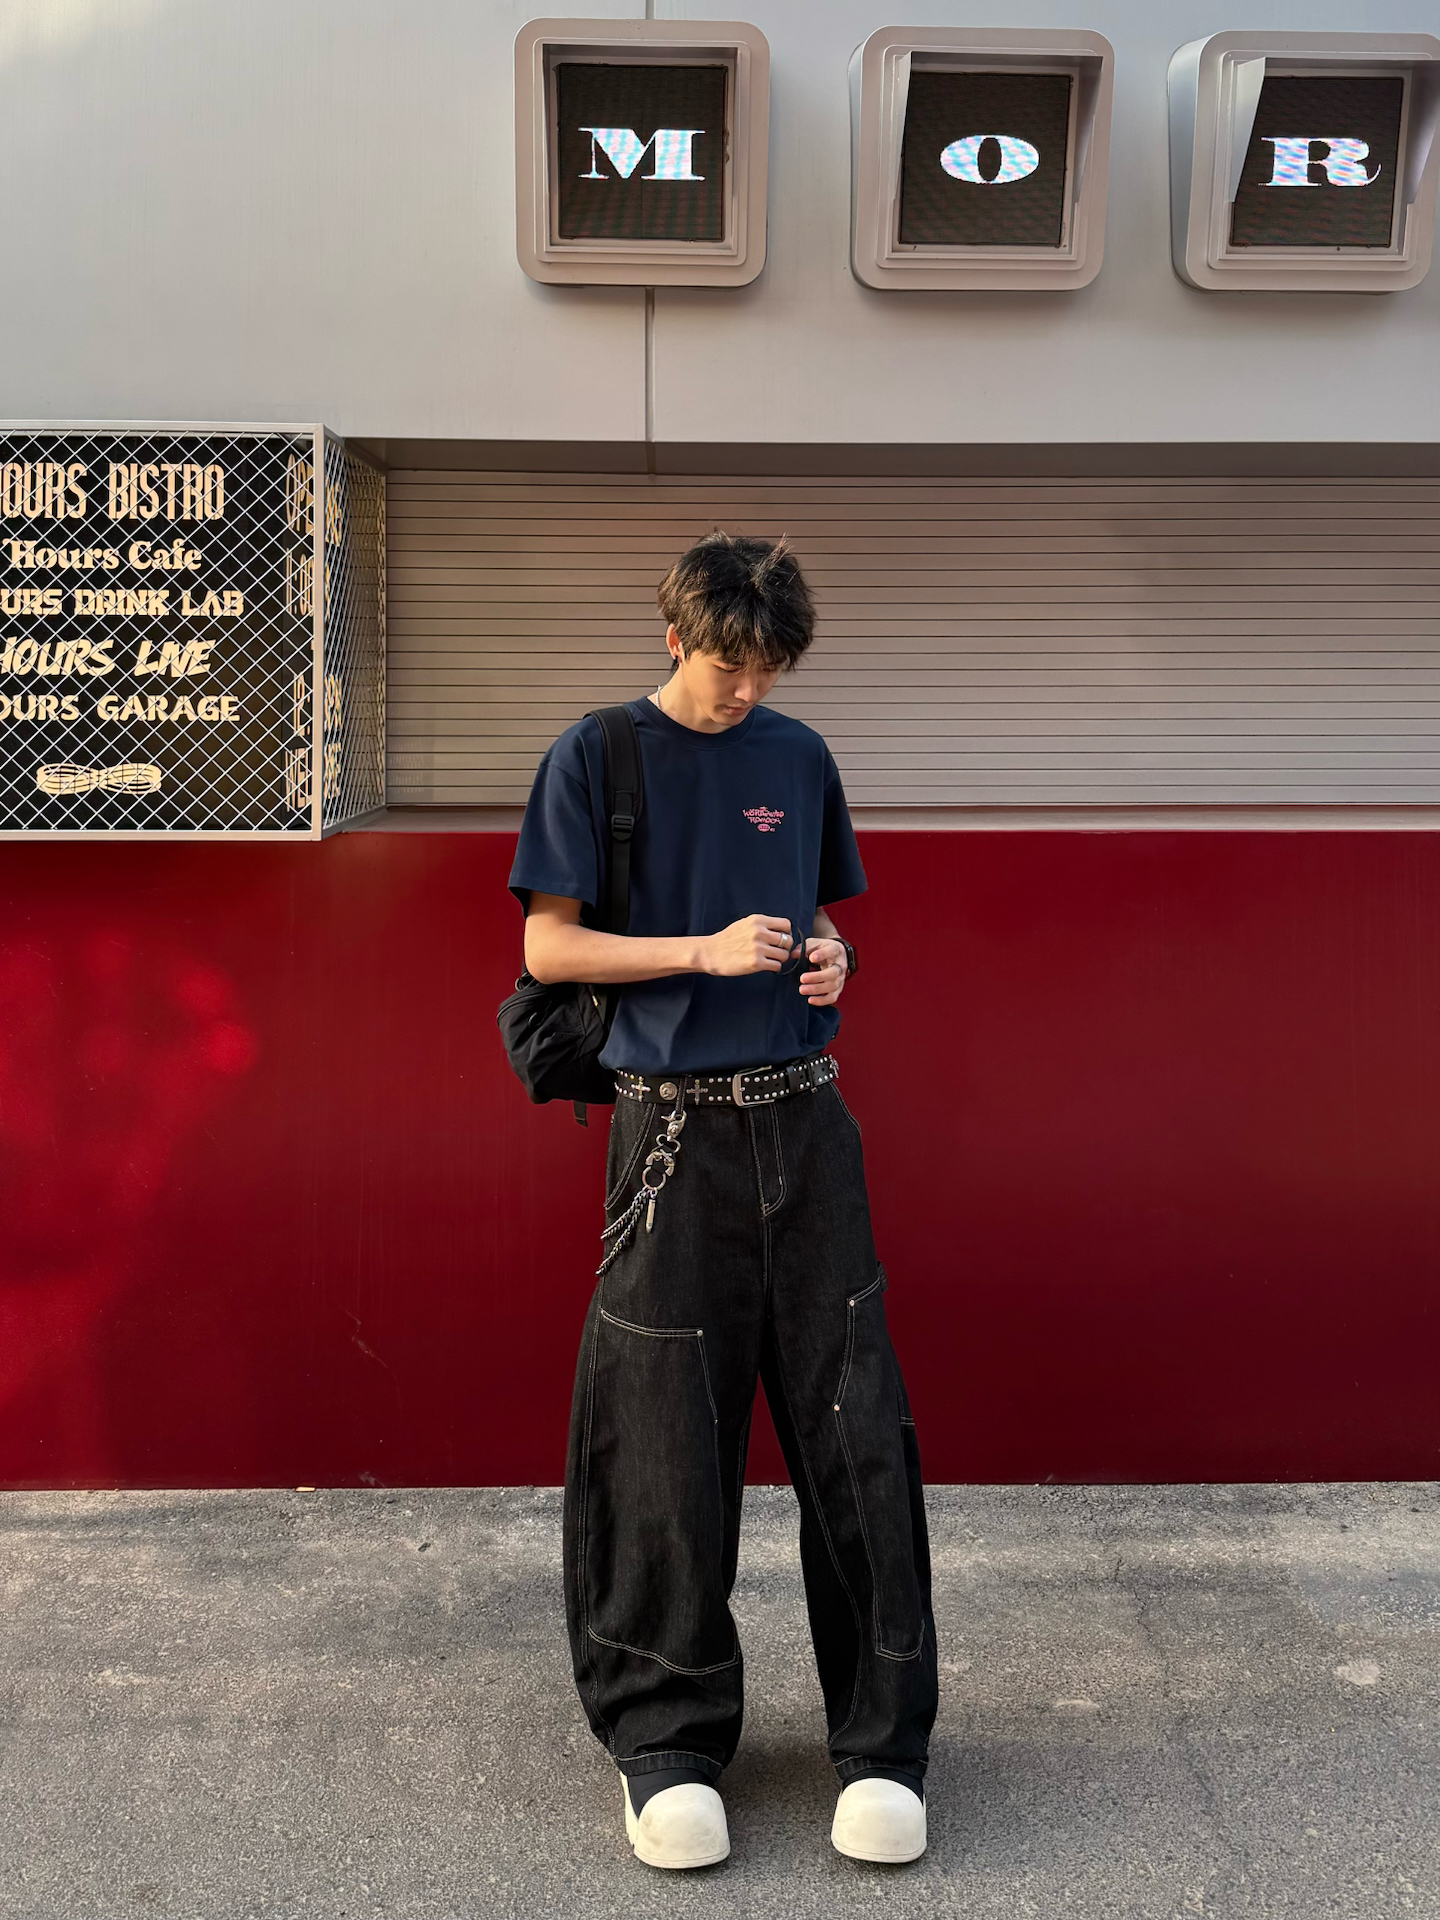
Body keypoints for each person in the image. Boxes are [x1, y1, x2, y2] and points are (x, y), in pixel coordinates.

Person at [508, 532, 937, 1870]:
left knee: (856, 1432)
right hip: (670, 1138)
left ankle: (884, 1742)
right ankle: (666, 1744)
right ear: (676, 637)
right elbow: (547, 944)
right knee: (660, 1442)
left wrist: (833, 960)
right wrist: (699, 952)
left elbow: (823, 918)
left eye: (766, 671)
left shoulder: (797, 758)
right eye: (726, 666)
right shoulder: (598, 755)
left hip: (807, 1121)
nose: (745, 691)